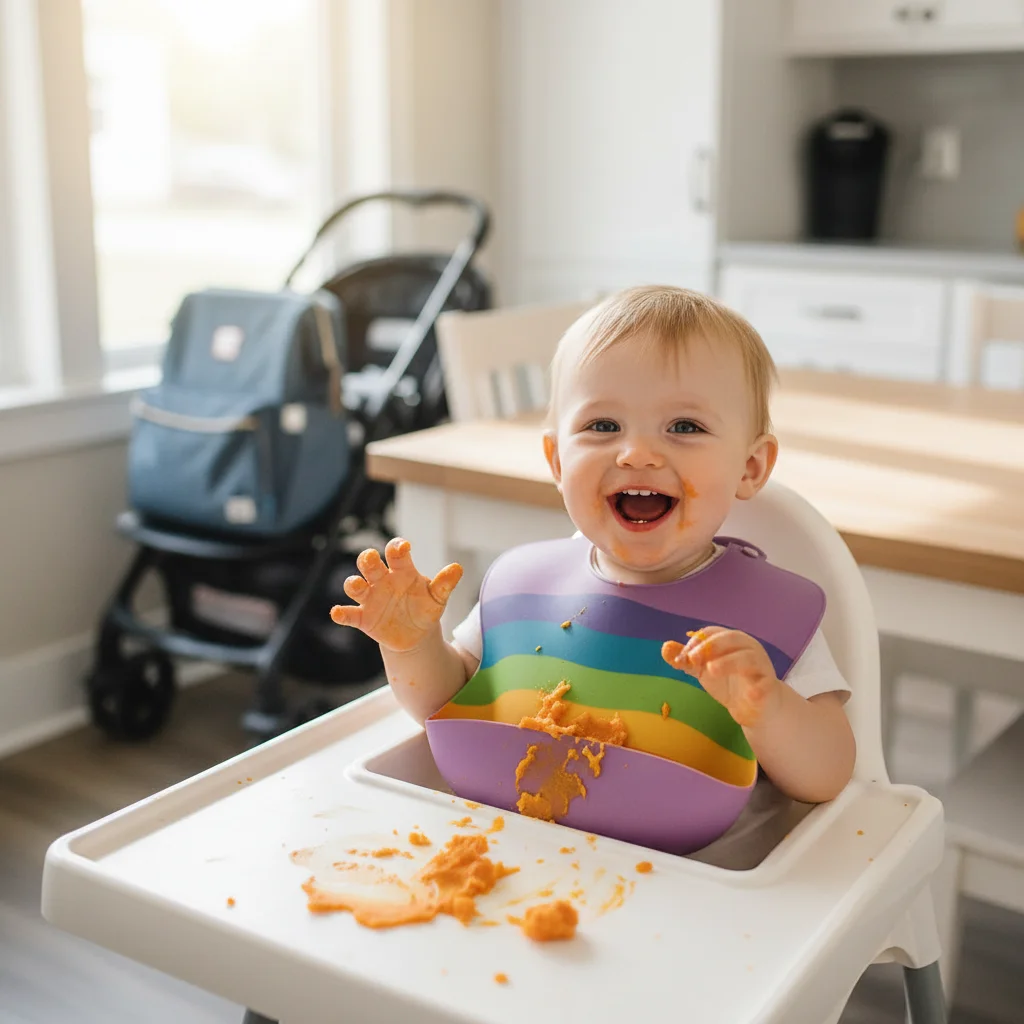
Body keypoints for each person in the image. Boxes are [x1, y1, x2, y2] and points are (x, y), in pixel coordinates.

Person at [331, 286, 856, 868]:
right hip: (510, 862)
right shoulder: (524, 587)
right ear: (557, 462)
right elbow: (448, 703)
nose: (635, 453)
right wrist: (410, 645)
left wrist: (768, 709)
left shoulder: (764, 618)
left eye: (684, 426)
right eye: (603, 424)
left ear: (751, 466)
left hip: (693, 892)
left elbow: (829, 775)